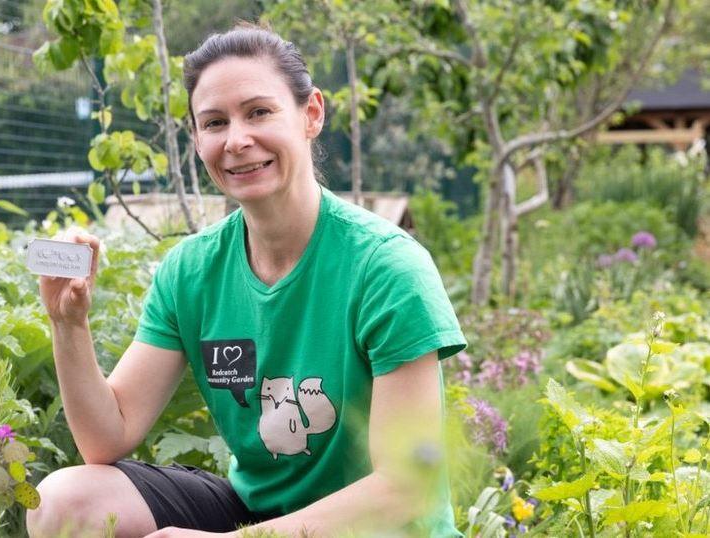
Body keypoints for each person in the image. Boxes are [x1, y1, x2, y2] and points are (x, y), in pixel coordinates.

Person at [27, 24, 467, 538]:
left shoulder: (387, 269)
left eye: (259, 112)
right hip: (260, 515)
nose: (237, 140)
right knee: (64, 503)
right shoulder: (190, 271)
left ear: (311, 114)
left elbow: (405, 488)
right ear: (196, 139)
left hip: (380, 529)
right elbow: (108, 436)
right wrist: (68, 324)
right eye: (214, 122)